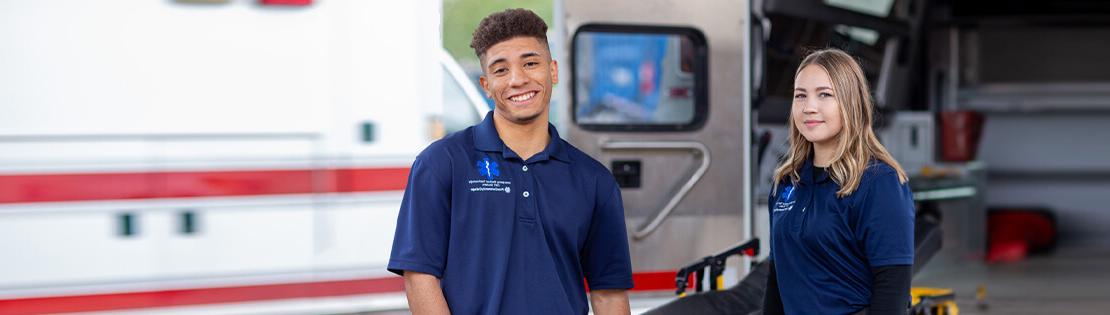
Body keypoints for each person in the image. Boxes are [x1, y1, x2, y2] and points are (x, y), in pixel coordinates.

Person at [387, 8, 633, 315]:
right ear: (486, 85)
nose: (518, 80)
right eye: (501, 70)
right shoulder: (441, 164)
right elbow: (420, 277)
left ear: (553, 71)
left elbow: (609, 295)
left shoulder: (594, 180)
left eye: (530, 63)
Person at [762, 48, 914, 315]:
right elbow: (778, 280)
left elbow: (892, 288)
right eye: (800, 96)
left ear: (850, 103)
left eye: (825, 95)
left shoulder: (879, 183)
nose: (809, 107)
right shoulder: (786, 182)